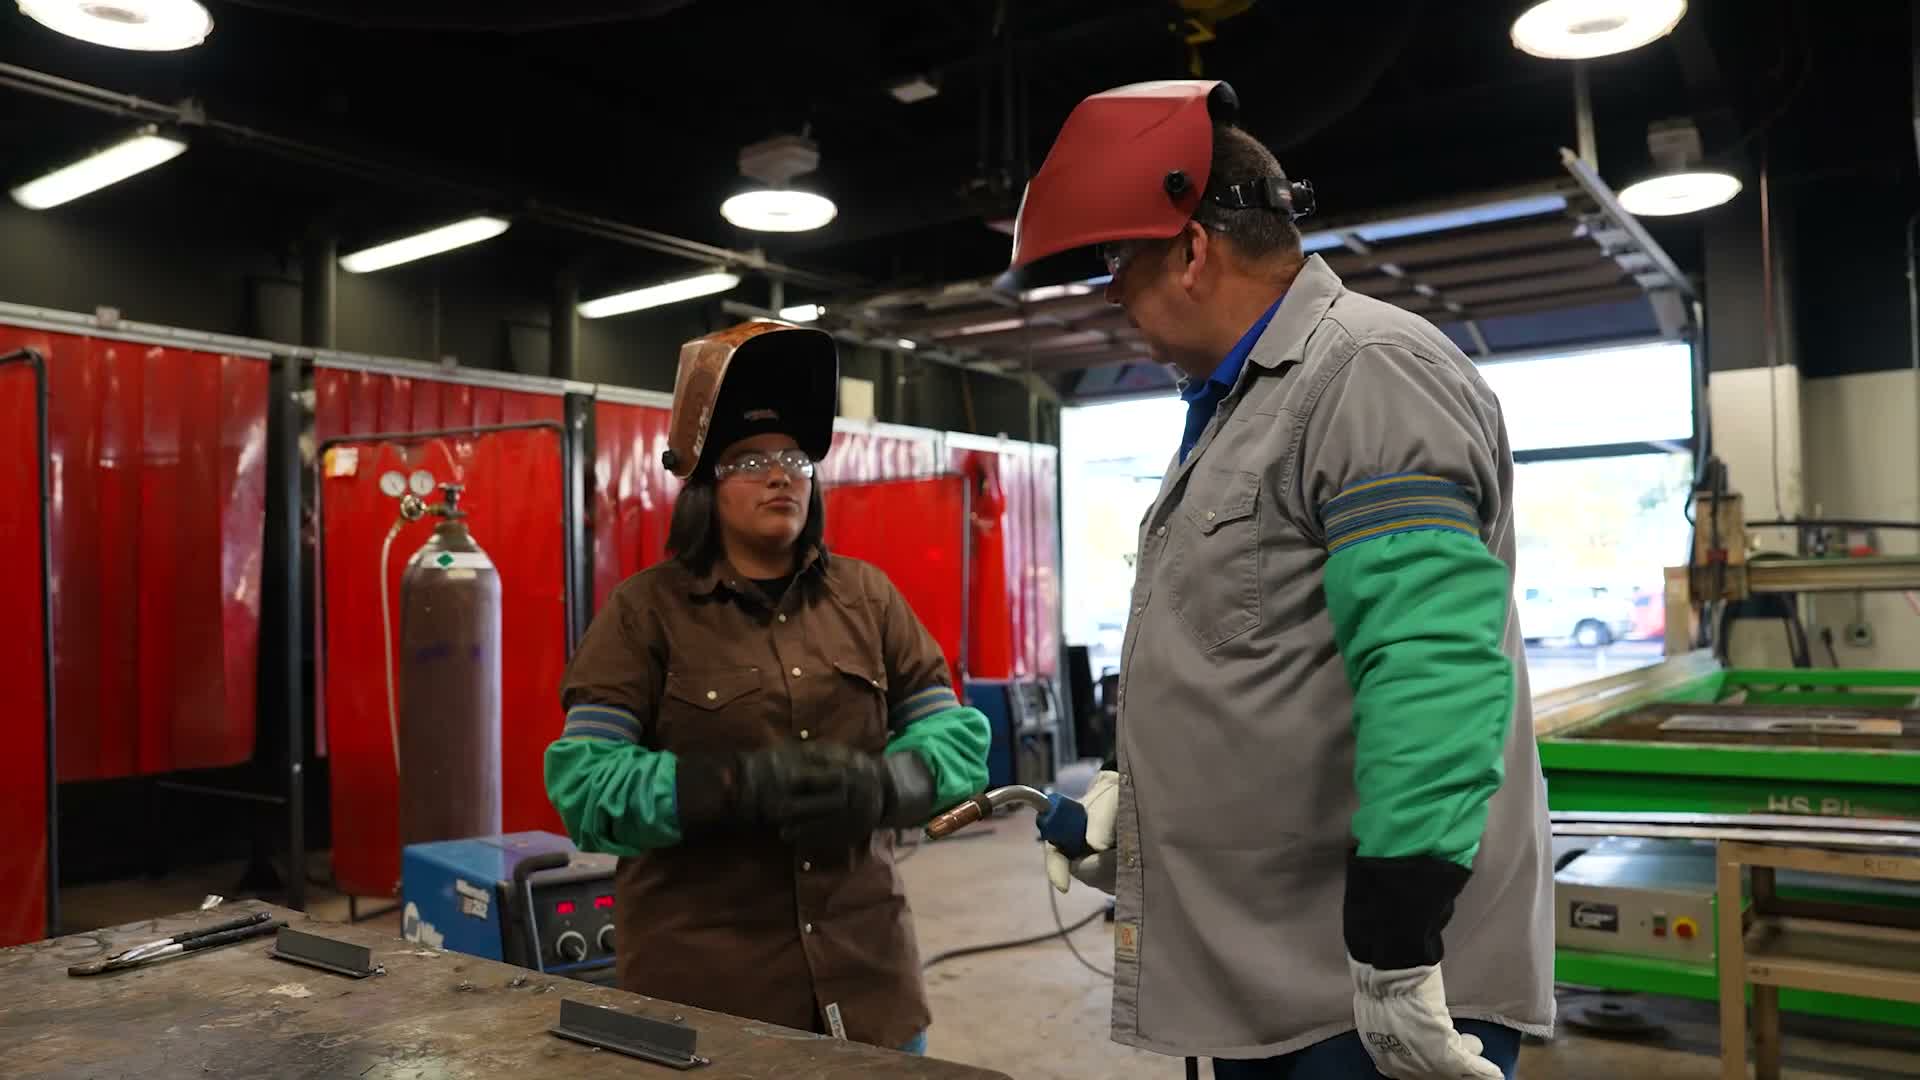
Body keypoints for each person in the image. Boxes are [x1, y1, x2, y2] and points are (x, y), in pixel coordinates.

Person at [1013, 81, 1554, 1079]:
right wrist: (1132, 804)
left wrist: (1398, 936)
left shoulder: (1366, 372)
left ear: (1189, 248)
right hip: (1274, 971)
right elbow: (1250, 657)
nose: (1109, 297)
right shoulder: (1238, 408)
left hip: (1369, 981)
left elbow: (1429, 661)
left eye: (1113, 264)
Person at [544, 319, 991, 1055]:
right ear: (703, 486)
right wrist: (730, 787)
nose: (781, 473)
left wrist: (889, 784)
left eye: (793, 457)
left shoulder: (869, 599)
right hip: (708, 1000)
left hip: (868, 982)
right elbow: (584, 785)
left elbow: (958, 740)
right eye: (750, 459)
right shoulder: (643, 614)